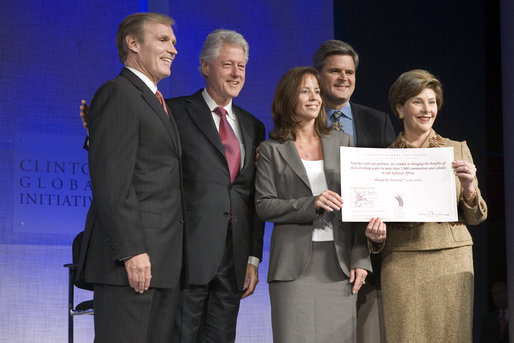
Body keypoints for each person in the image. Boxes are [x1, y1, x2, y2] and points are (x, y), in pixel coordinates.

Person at [255, 66, 386, 343]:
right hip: (291, 267)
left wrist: (361, 258)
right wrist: (311, 203)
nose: (315, 97)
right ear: (289, 98)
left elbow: (358, 205)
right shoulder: (271, 149)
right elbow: (264, 205)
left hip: (338, 265)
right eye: (305, 91)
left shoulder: (343, 142)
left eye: (317, 91)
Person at [77, 13, 184, 343]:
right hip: (131, 264)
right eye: (163, 40)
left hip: (161, 262)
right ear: (133, 43)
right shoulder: (118, 93)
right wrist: (132, 251)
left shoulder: (153, 101)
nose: (174, 50)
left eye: (174, 42)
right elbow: (113, 184)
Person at [366, 69, 488, 342]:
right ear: (400, 108)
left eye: (432, 102)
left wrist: (470, 188)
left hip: (451, 259)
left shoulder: (457, 149)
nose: (426, 109)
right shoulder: (382, 160)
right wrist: (375, 237)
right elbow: (376, 223)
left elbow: (476, 216)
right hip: (402, 260)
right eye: (417, 101)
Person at [166, 30, 265, 343]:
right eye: (227, 65)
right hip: (186, 255)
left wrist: (252, 257)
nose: (236, 73)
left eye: (242, 66)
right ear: (205, 66)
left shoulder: (253, 126)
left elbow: (253, 196)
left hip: (233, 259)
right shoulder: (175, 112)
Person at [313, 39, 396, 343]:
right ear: (317, 75)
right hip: (317, 250)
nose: (344, 78)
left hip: (369, 248)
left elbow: (390, 183)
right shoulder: (301, 121)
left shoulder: (378, 121)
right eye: (335, 71)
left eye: (349, 72)